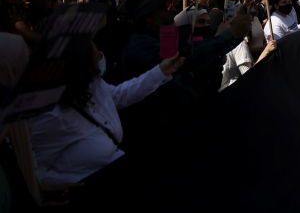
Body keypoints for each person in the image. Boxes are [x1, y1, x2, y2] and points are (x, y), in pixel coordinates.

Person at [28, 34, 184, 189]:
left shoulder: (91, 86)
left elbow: (118, 95)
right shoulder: (51, 116)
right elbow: (34, 170)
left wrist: (161, 71)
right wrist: (63, 185)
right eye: (96, 55)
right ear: (80, 65)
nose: (100, 58)